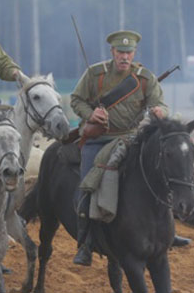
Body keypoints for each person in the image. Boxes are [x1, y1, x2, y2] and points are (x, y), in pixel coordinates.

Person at [69, 30, 168, 266]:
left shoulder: (145, 78)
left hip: (131, 139)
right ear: (113, 52)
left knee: (159, 176)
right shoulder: (95, 74)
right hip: (99, 139)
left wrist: (160, 111)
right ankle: (86, 242)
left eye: (129, 52)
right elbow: (76, 100)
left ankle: (165, 233)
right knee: (87, 187)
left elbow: (159, 103)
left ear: (134, 53)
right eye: (120, 52)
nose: (125, 57)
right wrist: (91, 114)